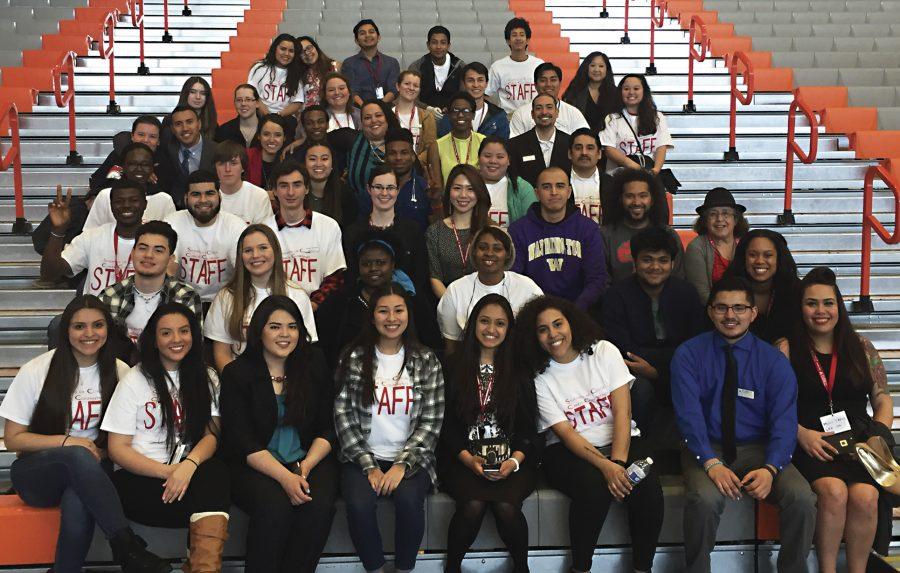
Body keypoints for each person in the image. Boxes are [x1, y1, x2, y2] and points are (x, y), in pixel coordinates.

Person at [0, 296, 171, 573]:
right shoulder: (37, 370)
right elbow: (14, 439)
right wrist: (69, 442)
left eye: (97, 325)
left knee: (78, 499)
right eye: (79, 326)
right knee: (78, 456)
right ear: (66, 330)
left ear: (108, 330)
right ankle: (126, 546)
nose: (89, 334)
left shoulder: (120, 371)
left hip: (94, 470)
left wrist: (95, 451)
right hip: (37, 473)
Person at [671, 276, 816, 573]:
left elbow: (784, 422)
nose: (730, 316)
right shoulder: (688, 354)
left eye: (739, 308)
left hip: (759, 448)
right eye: (722, 308)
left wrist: (771, 468)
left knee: (802, 498)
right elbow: (689, 416)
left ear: (753, 312)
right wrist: (710, 462)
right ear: (710, 311)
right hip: (707, 445)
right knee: (704, 499)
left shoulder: (773, 361)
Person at [518, 295, 664, 573]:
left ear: (571, 323)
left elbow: (623, 412)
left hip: (623, 440)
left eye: (558, 324)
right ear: (534, 337)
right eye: (543, 329)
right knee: (593, 489)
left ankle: (643, 568)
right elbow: (566, 433)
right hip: (566, 451)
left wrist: (618, 464)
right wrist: (607, 468)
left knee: (648, 490)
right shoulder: (538, 377)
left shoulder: (604, 351)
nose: (553, 334)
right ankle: (581, 568)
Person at [777, 267, 893, 573]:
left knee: (867, 496)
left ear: (838, 307)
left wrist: (878, 435)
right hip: (811, 443)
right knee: (833, 492)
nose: (820, 311)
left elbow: (881, 398)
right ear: (800, 308)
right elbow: (772, 407)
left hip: (858, 444)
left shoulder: (862, 347)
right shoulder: (786, 349)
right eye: (811, 303)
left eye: (828, 303)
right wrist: (799, 433)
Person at [102, 303, 231, 572]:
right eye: (167, 333)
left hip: (186, 477)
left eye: (184, 331)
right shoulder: (135, 380)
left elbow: (211, 435)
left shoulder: (206, 377)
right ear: (154, 339)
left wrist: (188, 466)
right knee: (212, 498)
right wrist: (167, 472)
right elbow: (117, 448)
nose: (177, 340)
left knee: (216, 472)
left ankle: (203, 567)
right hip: (142, 480)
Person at [220, 296, 339, 573]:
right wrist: (286, 477)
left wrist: (305, 466)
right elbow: (242, 441)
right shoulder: (238, 373)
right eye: (275, 327)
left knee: (318, 506)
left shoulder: (314, 363)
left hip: (308, 457)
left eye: (292, 326)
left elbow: (327, 425)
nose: (285, 334)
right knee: (274, 507)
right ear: (259, 332)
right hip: (255, 463)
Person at [334, 283, 444, 573]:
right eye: (383, 311)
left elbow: (431, 422)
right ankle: (376, 568)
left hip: (411, 458)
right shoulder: (354, 357)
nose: (391, 318)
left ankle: (405, 569)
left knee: (409, 502)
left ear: (408, 314)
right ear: (372, 317)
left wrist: (401, 466)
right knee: (358, 505)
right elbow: (343, 416)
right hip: (361, 457)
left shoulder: (426, 360)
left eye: (398, 310)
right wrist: (370, 466)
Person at [440, 294, 539, 573]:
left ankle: (522, 568)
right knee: (472, 505)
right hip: (462, 457)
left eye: (500, 323)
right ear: (473, 324)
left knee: (507, 507)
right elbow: (445, 425)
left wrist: (515, 460)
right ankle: (452, 567)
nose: (491, 329)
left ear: (509, 330)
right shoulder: (452, 365)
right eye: (484, 321)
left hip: (513, 459)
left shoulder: (520, 369)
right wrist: (466, 459)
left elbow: (529, 427)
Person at [600, 227, 705, 431]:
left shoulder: (687, 293)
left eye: (663, 260)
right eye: (647, 259)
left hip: (681, 368)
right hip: (632, 370)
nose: (655, 267)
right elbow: (622, 347)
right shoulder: (616, 295)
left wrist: (657, 371)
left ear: (673, 264)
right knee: (640, 389)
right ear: (635, 261)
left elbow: (695, 343)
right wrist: (651, 368)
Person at [317, 232, 440, 368]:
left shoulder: (413, 299)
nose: (373, 268)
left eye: (381, 263)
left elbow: (432, 343)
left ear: (393, 264)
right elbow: (326, 347)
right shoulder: (340, 301)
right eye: (366, 263)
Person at [205, 224, 317, 372]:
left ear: (275, 251)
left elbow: (305, 350)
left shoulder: (296, 295)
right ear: (240, 256)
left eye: (263, 247)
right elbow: (222, 352)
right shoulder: (226, 297)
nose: (255, 255)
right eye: (248, 250)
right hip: (241, 382)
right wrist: (235, 383)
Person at [509, 167, 607, 311]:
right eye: (546, 187)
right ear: (537, 193)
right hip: (533, 312)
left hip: (580, 312)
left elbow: (597, 278)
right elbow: (515, 279)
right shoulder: (518, 230)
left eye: (560, 186)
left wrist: (575, 312)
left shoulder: (588, 229)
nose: (553, 192)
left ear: (569, 192)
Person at [437, 226, 542, 354]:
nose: (489, 253)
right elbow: (452, 347)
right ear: (474, 252)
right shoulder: (456, 290)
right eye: (482, 247)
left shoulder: (527, 287)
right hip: (470, 364)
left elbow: (539, 335)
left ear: (508, 254)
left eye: (497, 249)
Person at [98, 220, 201, 346]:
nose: (148, 255)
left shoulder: (186, 297)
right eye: (142, 248)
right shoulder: (110, 295)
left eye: (158, 250)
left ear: (170, 260)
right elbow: (103, 348)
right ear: (132, 253)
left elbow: (193, 348)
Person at [41, 181, 144, 296]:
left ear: (145, 204)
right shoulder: (91, 237)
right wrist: (58, 230)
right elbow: (49, 274)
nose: (126, 205)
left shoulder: (158, 240)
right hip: (95, 312)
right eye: (119, 201)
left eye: (134, 200)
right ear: (111, 206)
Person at [164, 170, 248, 304]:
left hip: (225, 301)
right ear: (186, 198)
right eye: (196, 194)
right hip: (182, 300)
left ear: (219, 196)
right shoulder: (172, 222)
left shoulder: (236, 226)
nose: (203, 200)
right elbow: (168, 269)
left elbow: (243, 271)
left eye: (209, 193)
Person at [270, 160, 347, 308]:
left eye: (297, 185)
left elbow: (334, 277)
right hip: (275, 309)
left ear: (306, 189)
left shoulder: (328, 226)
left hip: (318, 310)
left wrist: (313, 305)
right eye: (284, 185)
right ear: (274, 191)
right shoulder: (263, 230)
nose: (290, 192)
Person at [342, 165, 429, 292]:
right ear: (368, 189)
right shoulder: (353, 232)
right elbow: (350, 277)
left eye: (390, 188)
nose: (384, 193)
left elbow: (420, 276)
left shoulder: (413, 231)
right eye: (378, 187)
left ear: (398, 190)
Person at [600, 168, 681, 282]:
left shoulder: (669, 234)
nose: (636, 202)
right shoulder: (605, 236)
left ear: (652, 200)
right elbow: (602, 282)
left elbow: (678, 279)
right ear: (620, 199)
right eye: (629, 196)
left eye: (643, 196)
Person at [724, 228, 800, 344]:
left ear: (779, 259)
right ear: (743, 258)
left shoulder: (796, 290)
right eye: (752, 255)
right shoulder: (726, 289)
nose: (759, 261)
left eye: (768, 255)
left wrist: (790, 343)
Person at [426, 164, 491, 299]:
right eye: (457, 188)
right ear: (448, 191)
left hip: (486, 303)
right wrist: (454, 306)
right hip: (447, 303)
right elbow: (434, 278)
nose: (463, 195)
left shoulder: (490, 231)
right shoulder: (435, 232)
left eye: (470, 189)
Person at [83, 142, 177, 230]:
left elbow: (172, 239)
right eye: (132, 164)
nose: (139, 169)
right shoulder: (105, 196)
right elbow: (89, 234)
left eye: (145, 165)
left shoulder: (164, 199)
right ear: (123, 166)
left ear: (152, 168)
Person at [684, 187, 749, 303]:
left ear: (736, 219)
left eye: (726, 214)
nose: (719, 219)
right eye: (713, 214)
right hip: (711, 313)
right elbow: (701, 295)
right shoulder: (696, 248)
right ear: (705, 221)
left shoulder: (746, 244)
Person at [600, 74, 673, 175]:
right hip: (618, 176)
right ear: (620, 92)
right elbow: (609, 150)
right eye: (626, 89)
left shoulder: (657, 117)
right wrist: (637, 168)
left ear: (644, 91)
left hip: (650, 175)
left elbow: (661, 147)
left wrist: (655, 170)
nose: (631, 92)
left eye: (636, 88)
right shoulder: (611, 118)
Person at [507, 94, 572, 187]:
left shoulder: (571, 143)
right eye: (538, 108)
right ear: (532, 114)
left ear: (557, 113)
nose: (544, 112)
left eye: (549, 107)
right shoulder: (514, 145)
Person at [509, 62, 589, 138]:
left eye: (553, 80)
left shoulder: (573, 113)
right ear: (535, 85)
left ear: (560, 83)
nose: (548, 84)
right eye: (543, 80)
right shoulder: (520, 114)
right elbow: (515, 145)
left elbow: (585, 140)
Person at [159, 105, 216, 206]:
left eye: (189, 122)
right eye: (178, 124)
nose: (185, 128)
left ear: (199, 124)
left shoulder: (216, 151)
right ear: (172, 129)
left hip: (208, 207)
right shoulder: (167, 150)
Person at [346, 100, 400, 206]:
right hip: (359, 211)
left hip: (398, 211)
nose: (373, 120)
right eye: (367, 117)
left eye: (378, 115)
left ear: (387, 118)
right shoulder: (352, 140)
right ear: (361, 122)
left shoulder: (400, 143)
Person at [90, 115, 163, 192]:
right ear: (132, 136)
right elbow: (96, 182)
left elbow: (166, 193)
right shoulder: (119, 154)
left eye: (152, 136)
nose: (145, 140)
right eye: (141, 135)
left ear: (158, 141)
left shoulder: (164, 161)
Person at [437, 62, 510, 140]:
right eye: (470, 80)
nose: (476, 85)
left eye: (480, 80)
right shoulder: (451, 115)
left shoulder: (499, 116)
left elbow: (503, 148)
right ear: (464, 84)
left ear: (486, 83)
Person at [487, 18, 544, 114]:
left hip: (534, 116)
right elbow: (485, 93)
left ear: (527, 40)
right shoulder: (497, 67)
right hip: (509, 118)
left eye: (522, 35)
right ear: (508, 40)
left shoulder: (539, 64)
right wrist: (498, 112)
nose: (518, 38)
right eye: (514, 35)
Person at [214, 140, 275, 224]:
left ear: (243, 167)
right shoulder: (207, 196)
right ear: (215, 167)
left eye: (233, 163)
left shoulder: (259, 195)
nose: (227, 169)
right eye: (222, 163)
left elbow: (265, 233)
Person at [478, 136, 535, 227]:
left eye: (500, 157)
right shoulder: (468, 185)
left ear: (509, 160)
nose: (493, 161)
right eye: (487, 156)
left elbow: (531, 227)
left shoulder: (523, 188)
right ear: (478, 158)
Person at [341, 19, 401, 105]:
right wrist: (366, 109)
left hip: (386, 109)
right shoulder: (349, 63)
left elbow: (393, 89)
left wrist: (380, 106)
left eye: (371, 32)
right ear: (356, 40)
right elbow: (352, 91)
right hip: (359, 111)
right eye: (362, 33)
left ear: (378, 37)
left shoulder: (392, 62)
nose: (367, 35)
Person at [408, 25, 465, 112]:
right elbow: (411, 96)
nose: (438, 47)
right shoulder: (417, 67)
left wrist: (451, 108)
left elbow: (464, 96)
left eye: (443, 43)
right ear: (428, 45)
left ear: (448, 45)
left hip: (453, 115)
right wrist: (427, 108)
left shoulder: (460, 66)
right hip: (423, 114)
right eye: (434, 42)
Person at [248, 34, 305, 120]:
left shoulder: (296, 73)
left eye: (291, 51)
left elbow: (297, 102)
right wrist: (267, 116)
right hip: (259, 114)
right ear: (275, 49)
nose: (286, 54)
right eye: (283, 49)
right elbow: (252, 94)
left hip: (284, 117)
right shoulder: (259, 67)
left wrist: (279, 116)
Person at [434, 92, 486, 186]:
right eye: (455, 110)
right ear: (449, 115)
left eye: (466, 111)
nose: (461, 115)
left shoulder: (484, 142)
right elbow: (437, 187)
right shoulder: (437, 146)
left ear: (473, 115)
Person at [384, 128, 432, 230]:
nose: (398, 158)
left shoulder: (425, 188)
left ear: (413, 156)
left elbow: (436, 229)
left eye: (404, 152)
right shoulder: (376, 188)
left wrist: (436, 202)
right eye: (392, 153)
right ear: (385, 157)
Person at [304, 141, 358, 228]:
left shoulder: (345, 194)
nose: (318, 164)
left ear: (332, 163)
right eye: (312, 159)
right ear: (304, 163)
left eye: (324, 159)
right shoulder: (295, 192)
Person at [562, 51, 617, 133]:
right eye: (592, 65)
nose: (596, 69)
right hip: (580, 139)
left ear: (607, 70)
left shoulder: (615, 93)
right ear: (586, 68)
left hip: (609, 141)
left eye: (601, 66)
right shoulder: (574, 91)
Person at [391, 70, 439, 165]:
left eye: (416, 86)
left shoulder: (427, 116)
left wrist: (414, 162)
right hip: (392, 167)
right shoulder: (387, 114)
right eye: (407, 84)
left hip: (419, 168)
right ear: (397, 86)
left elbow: (431, 147)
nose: (411, 88)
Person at [568, 128, 609, 224]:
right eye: (578, 148)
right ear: (570, 153)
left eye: (590, 148)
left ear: (599, 154)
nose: (584, 153)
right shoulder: (559, 183)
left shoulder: (612, 184)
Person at [246, 113, 291, 189]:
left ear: (284, 138)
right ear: (259, 136)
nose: (271, 140)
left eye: (278, 135)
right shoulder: (246, 157)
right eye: (266, 134)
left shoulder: (289, 162)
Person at [170, 76, 217, 142]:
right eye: (193, 92)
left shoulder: (212, 122)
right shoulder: (170, 120)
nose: (198, 97)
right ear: (185, 94)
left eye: (203, 93)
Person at [297, 35, 339, 107]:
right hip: (307, 115)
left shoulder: (335, 66)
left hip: (331, 112)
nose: (307, 53)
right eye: (301, 52)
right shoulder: (298, 74)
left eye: (309, 48)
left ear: (316, 48)